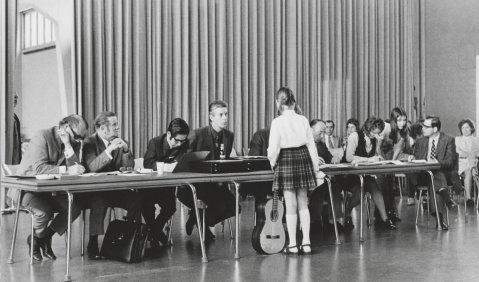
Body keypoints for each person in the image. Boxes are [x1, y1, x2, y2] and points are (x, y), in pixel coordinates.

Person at [8, 115, 88, 262]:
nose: (78, 141)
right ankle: (39, 239)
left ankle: (40, 239)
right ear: (65, 127)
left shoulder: (73, 143)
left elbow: (75, 169)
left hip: (50, 190)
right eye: (76, 136)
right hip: (28, 189)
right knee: (44, 212)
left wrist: (69, 146)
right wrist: (66, 170)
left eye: (81, 138)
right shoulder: (42, 136)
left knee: (74, 207)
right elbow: (39, 169)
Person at [267, 87, 323, 255]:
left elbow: (273, 148)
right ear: (293, 102)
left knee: (290, 204)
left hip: (286, 159)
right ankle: (306, 243)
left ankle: (292, 244)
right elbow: (311, 145)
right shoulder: (303, 119)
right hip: (303, 158)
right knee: (303, 202)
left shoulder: (277, 122)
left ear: (278, 102)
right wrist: (315, 168)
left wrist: (272, 162)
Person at [82, 111, 142, 259]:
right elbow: (92, 167)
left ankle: (128, 237)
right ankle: (93, 243)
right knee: (99, 202)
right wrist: (109, 150)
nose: (117, 128)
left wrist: (126, 150)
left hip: (115, 189)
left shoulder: (120, 141)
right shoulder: (89, 143)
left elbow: (129, 167)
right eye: (114, 125)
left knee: (137, 200)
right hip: (95, 191)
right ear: (102, 129)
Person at [177, 100, 237, 240]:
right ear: (211, 117)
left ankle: (196, 217)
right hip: (198, 184)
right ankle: (199, 219)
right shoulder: (196, 135)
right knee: (220, 206)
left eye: (226, 114)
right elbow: (183, 160)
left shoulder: (229, 136)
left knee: (235, 207)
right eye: (221, 115)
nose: (225, 118)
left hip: (217, 184)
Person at [141, 118, 190, 247]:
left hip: (167, 186)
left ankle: (153, 232)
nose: (180, 144)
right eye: (177, 140)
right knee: (146, 205)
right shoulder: (155, 143)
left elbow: (185, 160)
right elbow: (148, 163)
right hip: (150, 185)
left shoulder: (184, 143)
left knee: (171, 207)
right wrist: (168, 167)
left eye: (183, 140)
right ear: (169, 134)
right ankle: (156, 233)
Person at [342, 117, 396, 230]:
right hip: (349, 174)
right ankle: (346, 214)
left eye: (378, 132)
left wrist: (379, 156)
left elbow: (376, 154)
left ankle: (385, 219)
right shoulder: (355, 136)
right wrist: (369, 160)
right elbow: (348, 157)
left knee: (375, 189)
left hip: (364, 173)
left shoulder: (374, 139)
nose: (375, 135)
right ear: (367, 128)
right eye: (373, 132)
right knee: (359, 194)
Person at [409, 116, 459, 230]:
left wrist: (437, 162)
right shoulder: (420, 141)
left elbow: (450, 162)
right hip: (423, 175)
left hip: (442, 175)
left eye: (426, 127)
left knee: (435, 177)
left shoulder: (448, 140)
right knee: (434, 177)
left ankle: (439, 219)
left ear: (435, 129)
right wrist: (412, 158)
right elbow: (417, 159)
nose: (423, 129)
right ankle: (446, 198)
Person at [376, 107, 412, 223]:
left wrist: (392, 165)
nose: (402, 123)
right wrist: (383, 164)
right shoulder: (386, 128)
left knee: (391, 184)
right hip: (379, 155)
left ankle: (390, 211)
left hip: (390, 155)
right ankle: (381, 216)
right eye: (400, 120)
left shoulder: (404, 131)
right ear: (394, 120)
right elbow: (377, 148)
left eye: (404, 120)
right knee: (383, 184)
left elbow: (397, 150)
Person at [308, 119, 344, 232]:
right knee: (321, 189)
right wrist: (312, 160)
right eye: (321, 133)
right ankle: (315, 221)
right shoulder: (303, 143)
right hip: (308, 180)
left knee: (335, 187)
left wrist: (334, 158)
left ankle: (332, 220)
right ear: (310, 130)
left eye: (324, 132)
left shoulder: (321, 144)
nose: (323, 135)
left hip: (322, 178)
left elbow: (329, 158)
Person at [239, 127, 273, 214]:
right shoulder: (261, 135)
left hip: (284, 178)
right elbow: (254, 160)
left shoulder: (294, 135)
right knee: (260, 185)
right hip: (263, 179)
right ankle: (261, 220)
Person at [455, 119, 479, 207]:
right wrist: (470, 155)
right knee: (469, 171)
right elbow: (458, 152)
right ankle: (469, 198)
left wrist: (471, 155)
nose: (465, 130)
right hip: (462, 163)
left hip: (474, 162)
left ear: (472, 128)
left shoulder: (477, 140)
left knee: (474, 170)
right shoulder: (457, 139)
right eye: (463, 128)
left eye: (467, 127)